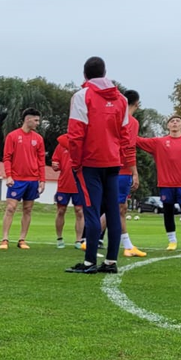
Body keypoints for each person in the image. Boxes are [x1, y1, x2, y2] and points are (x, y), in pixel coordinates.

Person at [65, 56, 131, 273]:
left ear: (85, 75)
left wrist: (76, 162)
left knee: (91, 211)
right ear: (104, 73)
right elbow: (125, 134)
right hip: (113, 162)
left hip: (90, 162)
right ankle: (111, 261)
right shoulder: (121, 99)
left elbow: (76, 134)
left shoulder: (82, 96)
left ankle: (89, 261)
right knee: (112, 211)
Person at [135, 115, 181, 252]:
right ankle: (172, 241)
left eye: (178, 121)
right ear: (168, 126)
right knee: (168, 212)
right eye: (172, 121)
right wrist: (127, 126)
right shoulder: (159, 142)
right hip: (166, 184)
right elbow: (137, 141)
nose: (175, 123)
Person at [0, 108, 45, 249]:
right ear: (28, 119)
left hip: (32, 180)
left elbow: (41, 160)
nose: (38, 123)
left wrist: (42, 180)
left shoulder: (38, 139)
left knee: (28, 209)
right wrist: (9, 175)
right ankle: (5, 239)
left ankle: (22, 239)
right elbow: (7, 157)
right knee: (11, 207)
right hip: (17, 179)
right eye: (36, 120)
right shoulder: (13, 136)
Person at [118, 90, 146, 257]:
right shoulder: (131, 122)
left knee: (118, 208)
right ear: (137, 103)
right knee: (119, 209)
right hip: (121, 169)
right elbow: (129, 148)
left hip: (106, 168)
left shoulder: (111, 118)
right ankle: (127, 246)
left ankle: (89, 239)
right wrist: (134, 172)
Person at [51, 133, 82, 249]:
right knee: (61, 210)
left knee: (79, 211)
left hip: (79, 184)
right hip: (64, 183)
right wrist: (55, 165)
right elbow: (55, 162)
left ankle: (78, 240)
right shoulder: (61, 144)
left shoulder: (83, 142)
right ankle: (59, 238)